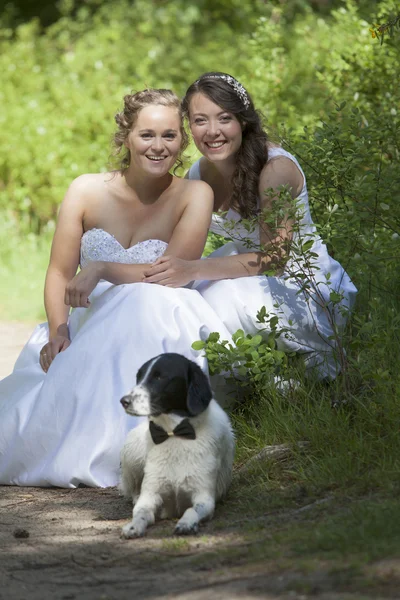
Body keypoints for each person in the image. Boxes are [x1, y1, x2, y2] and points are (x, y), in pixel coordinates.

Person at [0, 89, 231, 488]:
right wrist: (59, 331)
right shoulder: (85, 190)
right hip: (88, 322)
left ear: (182, 140)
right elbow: (58, 273)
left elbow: (172, 272)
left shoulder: (195, 194)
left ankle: (138, 452)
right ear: (126, 136)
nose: (158, 147)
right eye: (146, 135)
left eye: (170, 136)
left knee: (142, 301)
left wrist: (102, 267)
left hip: (158, 313)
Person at [143, 73, 357, 380]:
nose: (213, 131)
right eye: (200, 120)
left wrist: (192, 269)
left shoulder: (275, 169)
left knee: (217, 298)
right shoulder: (200, 172)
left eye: (224, 118)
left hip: (304, 286)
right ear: (189, 126)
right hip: (250, 276)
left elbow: (274, 257)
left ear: (243, 120)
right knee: (179, 297)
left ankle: (231, 384)